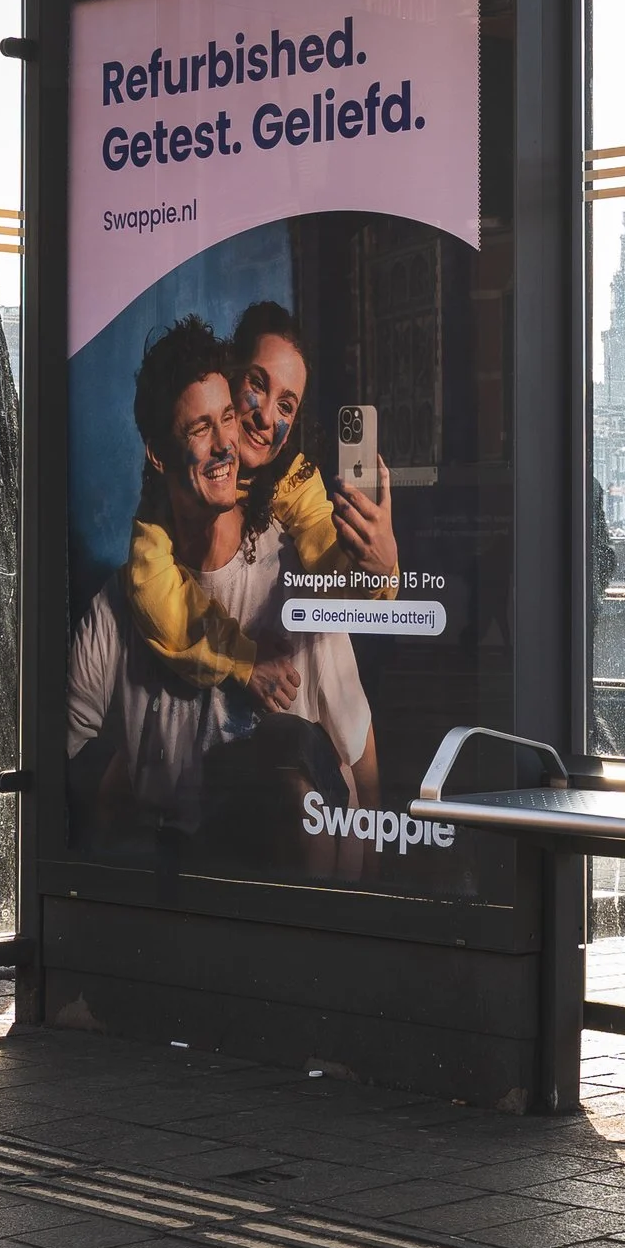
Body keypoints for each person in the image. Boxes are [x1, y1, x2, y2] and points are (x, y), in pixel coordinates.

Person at [68, 317, 379, 873]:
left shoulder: (293, 562)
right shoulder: (135, 580)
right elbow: (64, 752)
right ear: (160, 454)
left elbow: (359, 742)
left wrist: (373, 566)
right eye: (200, 428)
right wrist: (118, 790)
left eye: (285, 406)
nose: (256, 423)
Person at [121, 300, 398, 708]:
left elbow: (327, 548)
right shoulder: (170, 492)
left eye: (286, 406)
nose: (267, 417)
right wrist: (243, 658)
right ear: (228, 377)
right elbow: (159, 597)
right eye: (257, 384)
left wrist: (375, 565)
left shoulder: (295, 478)